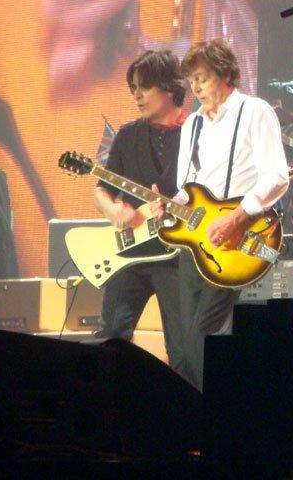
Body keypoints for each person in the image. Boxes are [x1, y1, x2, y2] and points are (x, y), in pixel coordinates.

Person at [173, 38, 289, 389]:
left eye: (202, 78)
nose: (195, 88)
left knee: (202, 332)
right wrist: (168, 205)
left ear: (225, 75)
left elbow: (276, 177)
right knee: (183, 344)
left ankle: (219, 407)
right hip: (195, 244)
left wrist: (236, 217)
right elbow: (186, 188)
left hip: (237, 238)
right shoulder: (191, 125)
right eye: (192, 81)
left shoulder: (254, 111)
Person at [93, 50, 188, 375]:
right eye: (133, 87)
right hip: (132, 254)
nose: (137, 95)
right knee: (111, 338)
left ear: (169, 86)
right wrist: (113, 210)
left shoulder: (197, 132)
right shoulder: (127, 134)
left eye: (144, 86)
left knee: (183, 350)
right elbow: (102, 190)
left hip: (177, 255)